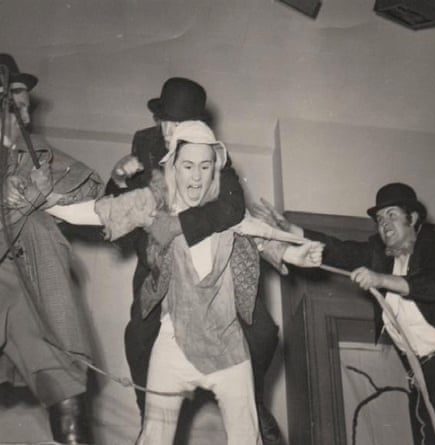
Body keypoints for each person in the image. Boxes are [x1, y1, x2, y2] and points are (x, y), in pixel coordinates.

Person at [46, 120, 324, 445]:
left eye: (205, 166)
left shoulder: (227, 212)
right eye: (188, 165)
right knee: (153, 437)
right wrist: (49, 205)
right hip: (174, 344)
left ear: (215, 169)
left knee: (248, 438)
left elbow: (261, 237)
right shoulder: (154, 204)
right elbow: (101, 212)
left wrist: (294, 255)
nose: (196, 176)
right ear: (173, 167)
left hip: (228, 348)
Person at [102, 77, 283, 443]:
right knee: (138, 334)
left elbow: (232, 207)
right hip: (160, 260)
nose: (171, 132)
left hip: (212, 258)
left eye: (180, 124)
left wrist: (178, 225)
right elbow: (119, 212)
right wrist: (118, 180)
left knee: (264, 331)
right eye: (166, 123)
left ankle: (254, 399)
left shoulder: (210, 149)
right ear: (158, 120)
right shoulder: (144, 145)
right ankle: (148, 413)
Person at [252, 184, 435, 445]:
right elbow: (338, 251)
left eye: (392, 215)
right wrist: (291, 230)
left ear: (413, 217)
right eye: (380, 219)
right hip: (420, 373)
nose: (384, 224)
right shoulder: (380, 254)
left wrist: (381, 280)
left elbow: (434, 284)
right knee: (426, 437)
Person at [0, 53, 103, 444]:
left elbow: (90, 190)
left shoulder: (37, 152)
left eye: (25, 99)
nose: (25, 111)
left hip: (29, 287)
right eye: (16, 102)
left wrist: (42, 193)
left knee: (67, 394)